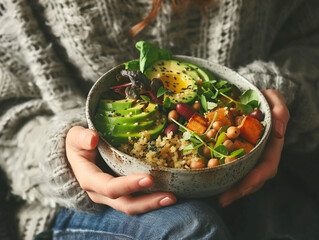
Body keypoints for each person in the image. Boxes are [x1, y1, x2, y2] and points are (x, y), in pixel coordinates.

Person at [0, 0, 318, 239]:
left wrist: (276, 91)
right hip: (80, 202)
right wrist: (57, 154)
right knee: (191, 227)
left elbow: (307, 39)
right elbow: (9, 116)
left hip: (260, 174)